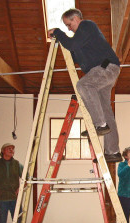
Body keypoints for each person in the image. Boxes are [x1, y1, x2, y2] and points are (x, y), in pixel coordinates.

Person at [48, 8, 122, 163]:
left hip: (105, 68)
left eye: (68, 24)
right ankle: (113, 151)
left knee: (83, 86)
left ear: (76, 19)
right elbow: (74, 52)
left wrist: (58, 32)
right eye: (66, 26)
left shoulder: (87, 26)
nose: (68, 28)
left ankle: (99, 124)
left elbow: (72, 44)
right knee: (106, 110)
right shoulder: (82, 38)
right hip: (104, 72)